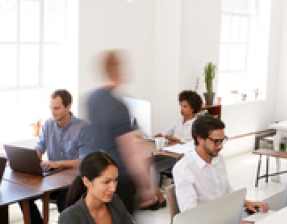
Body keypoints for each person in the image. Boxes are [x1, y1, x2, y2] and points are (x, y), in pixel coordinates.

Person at [86, 50, 155, 214]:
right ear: (116, 70)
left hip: (96, 179)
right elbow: (131, 153)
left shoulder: (91, 99)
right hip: (117, 182)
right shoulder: (118, 106)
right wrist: (147, 186)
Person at [173, 116, 269, 214]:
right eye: (216, 141)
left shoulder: (219, 159)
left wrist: (247, 203)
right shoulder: (184, 168)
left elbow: (226, 192)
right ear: (200, 138)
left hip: (224, 216)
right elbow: (190, 213)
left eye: (222, 140)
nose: (221, 146)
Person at [26, 89, 91, 224]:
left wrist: (59, 164)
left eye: (57, 108)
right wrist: (31, 158)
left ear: (68, 107)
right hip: (53, 179)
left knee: (65, 198)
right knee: (24, 197)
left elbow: (83, 160)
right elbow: (39, 147)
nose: (53, 112)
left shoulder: (83, 127)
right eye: (51, 108)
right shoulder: (48, 125)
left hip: (75, 181)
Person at [145, 90, 203, 210]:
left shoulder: (196, 123)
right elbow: (166, 133)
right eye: (181, 105)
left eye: (185, 106)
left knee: (152, 167)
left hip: (180, 157)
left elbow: (193, 143)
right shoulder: (179, 120)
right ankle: (157, 196)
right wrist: (160, 135)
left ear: (193, 109)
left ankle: (157, 198)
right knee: (144, 162)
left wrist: (174, 138)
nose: (181, 109)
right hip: (169, 153)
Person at [58, 151, 134, 224]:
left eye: (115, 180)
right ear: (86, 182)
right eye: (106, 182)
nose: (113, 188)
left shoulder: (115, 202)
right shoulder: (69, 218)